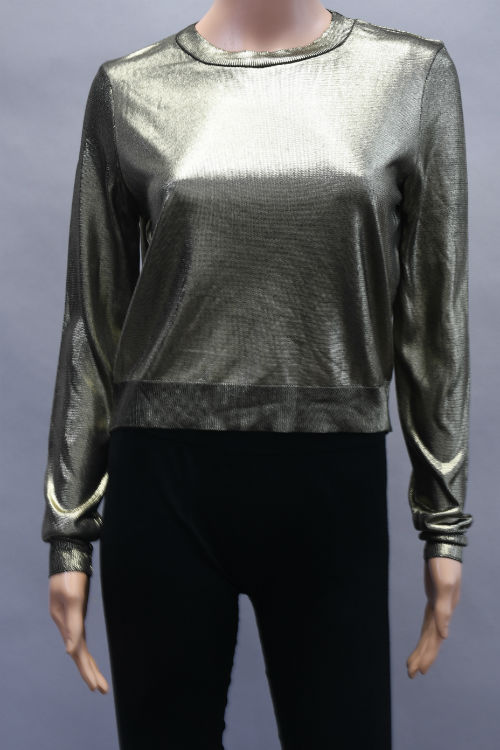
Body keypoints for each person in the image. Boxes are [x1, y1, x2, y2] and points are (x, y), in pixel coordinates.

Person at [42, 2, 473, 748]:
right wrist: (69, 531)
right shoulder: (131, 89)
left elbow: (434, 319)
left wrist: (444, 523)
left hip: (330, 482)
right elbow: (93, 323)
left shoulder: (409, 77)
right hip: (163, 487)